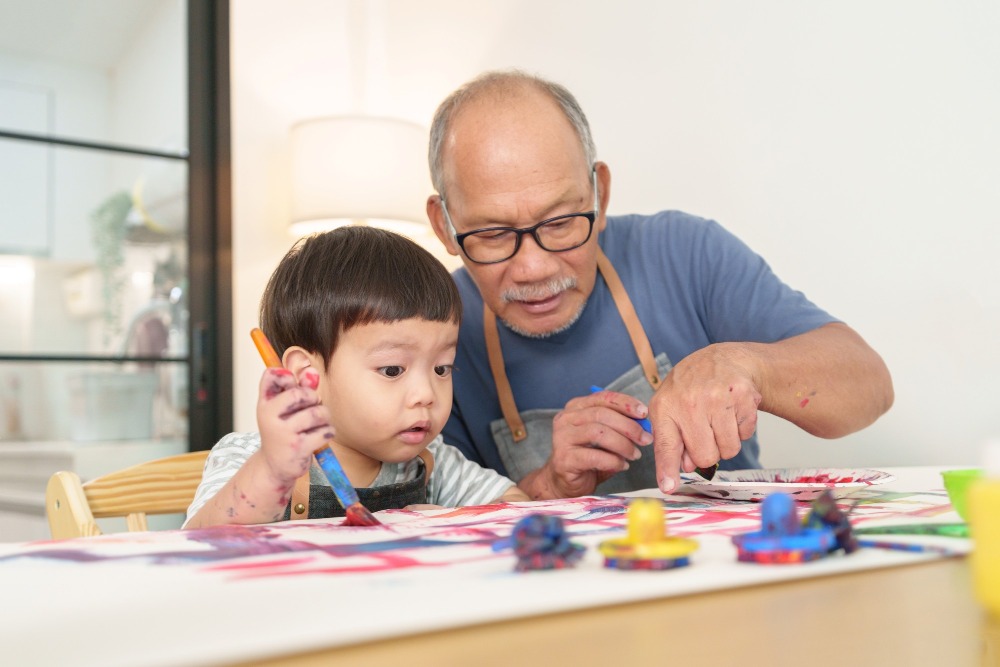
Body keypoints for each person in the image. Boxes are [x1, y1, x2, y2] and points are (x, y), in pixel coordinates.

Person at [424, 69, 894, 500]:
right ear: (445, 227)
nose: (533, 268)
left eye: (561, 222)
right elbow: (436, 519)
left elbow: (869, 386)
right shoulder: (430, 329)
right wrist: (551, 483)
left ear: (600, 195)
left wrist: (746, 366)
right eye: (491, 235)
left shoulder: (685, 251)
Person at [185, 227, 529, 529]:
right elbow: (201, 542)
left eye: (442, 368)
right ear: (308, 377)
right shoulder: (248, 456)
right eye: (393, 370)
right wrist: (273, 470)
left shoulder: (429, 461)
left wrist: (445, 522)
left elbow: (520, 508)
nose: (426, 394)